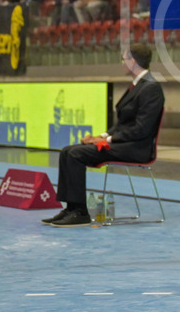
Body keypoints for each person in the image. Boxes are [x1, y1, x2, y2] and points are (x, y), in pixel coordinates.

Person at [44, 44, 166, 227]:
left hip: (136, 148)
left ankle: (80, 212)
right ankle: (71, 208)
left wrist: (107, 140)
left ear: (133, 61)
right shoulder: (137, 86)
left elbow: (141, 129)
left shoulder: (151, 88)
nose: (123, 63)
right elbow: (122, 124)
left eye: (125, 59)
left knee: (76, 155)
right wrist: (100, 136)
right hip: (123, 142)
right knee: (67, 151)